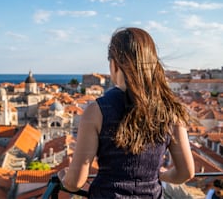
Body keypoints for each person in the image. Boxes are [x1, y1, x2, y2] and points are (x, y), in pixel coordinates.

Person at [58, 27, 195, 198]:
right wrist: (161, 174)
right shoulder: (170, 112)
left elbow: (75, 183)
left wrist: (63, 176)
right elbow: (186, 173)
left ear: (114, 64)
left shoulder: (96, 111)